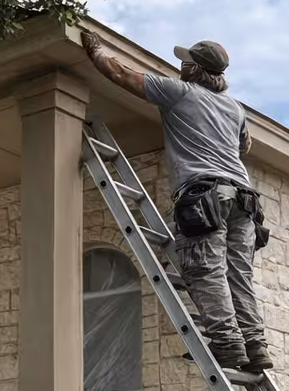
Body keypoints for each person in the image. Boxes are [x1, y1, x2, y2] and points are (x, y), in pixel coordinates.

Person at [80, 30, 272, 371]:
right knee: (238, 274)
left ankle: (228, 344)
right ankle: (255, 346)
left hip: (206, 195)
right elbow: (245, 147)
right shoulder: (235, 108)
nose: (180, 65)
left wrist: (95, 49)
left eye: (186, 62)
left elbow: (121, 74)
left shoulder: (179, 92)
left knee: (207, 270)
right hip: (244, 199)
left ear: (195, 71)